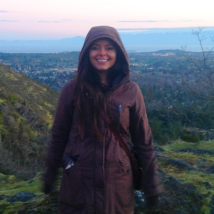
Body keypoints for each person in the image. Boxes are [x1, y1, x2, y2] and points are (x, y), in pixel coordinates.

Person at [43, 26, 163, 214]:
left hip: (117, 187)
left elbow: (143, 141)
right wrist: (49, 176)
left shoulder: (131, 91)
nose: (102, 53)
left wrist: (152, 186)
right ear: (86, 53)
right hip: (78, 184)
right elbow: (59, 137)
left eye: (109, 48)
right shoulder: (72, 90)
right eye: (95, 47)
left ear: (119, 53)